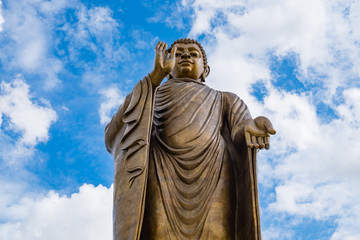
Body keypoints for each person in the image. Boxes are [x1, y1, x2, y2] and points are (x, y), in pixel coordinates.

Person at [105, 38, 276, 240]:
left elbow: (239, 131)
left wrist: (251, 127)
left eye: (193, 54)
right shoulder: (149, 95)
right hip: (161, 172)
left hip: (214, 174)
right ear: (167, 68)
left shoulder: (225, 99)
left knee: (218, 233)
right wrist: (153, 79)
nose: (185, 56)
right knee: (157, 232)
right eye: (177, 54)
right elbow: (112, 133)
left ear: (206, 70)